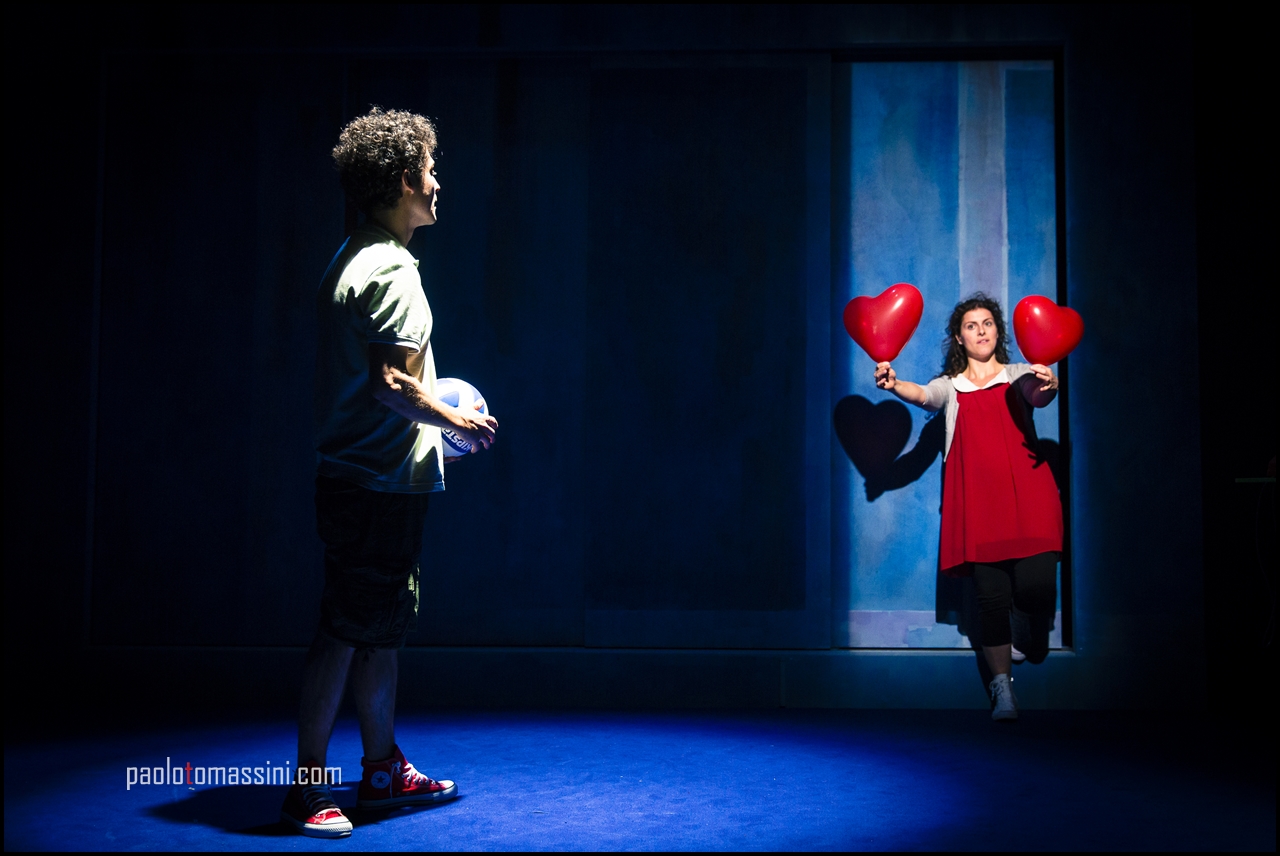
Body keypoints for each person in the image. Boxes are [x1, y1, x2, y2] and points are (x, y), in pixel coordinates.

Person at [280, 107, 499, 838]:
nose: (438, 183)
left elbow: (384, 383)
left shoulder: (355, 255)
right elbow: (392, 385)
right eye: (431, 170)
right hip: (373, 488)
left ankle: (382, 769)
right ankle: (307, 790)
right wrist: (460, 422)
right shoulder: (394, 269)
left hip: (365, 482)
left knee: (377, 629)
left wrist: (432, 422)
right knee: (343, 631)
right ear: (404, 179)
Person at [874, 293, 1061, 721]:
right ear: (959, 337)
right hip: (979, 506)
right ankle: (1003, 690)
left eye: (988, 323)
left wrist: (1048, 385)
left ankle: (1025, 626)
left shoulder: (1018, 374)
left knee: (1035, 587)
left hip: (1030, 497)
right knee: (990, 600)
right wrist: (894, 383)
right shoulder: (952, 386)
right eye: (971, 325)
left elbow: (1037, 394)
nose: (981, 331)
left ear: (998, 332)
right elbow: (923, 395)